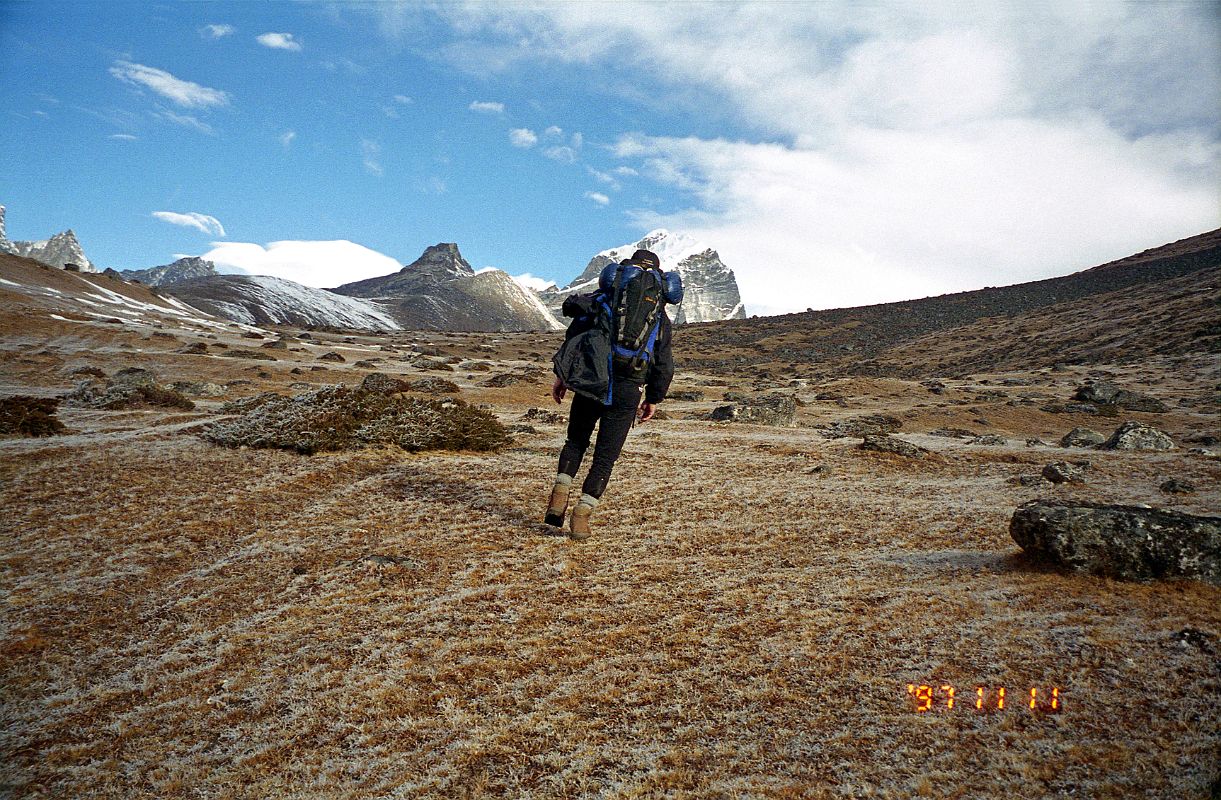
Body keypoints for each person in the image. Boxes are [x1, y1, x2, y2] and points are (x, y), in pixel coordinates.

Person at [545, 248, 675, 541]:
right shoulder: (658, 314)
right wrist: (653, 398)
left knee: (576, 440)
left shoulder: (605, 297)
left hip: (593, 380)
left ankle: (559, 494)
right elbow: (664, 362)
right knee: (605, 458)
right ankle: (582, 517)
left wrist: (563, 377)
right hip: (630, 388)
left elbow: (576, 337)